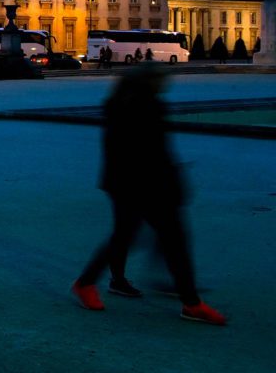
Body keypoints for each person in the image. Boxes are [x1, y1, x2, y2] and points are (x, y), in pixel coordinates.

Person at [71, 64, 226, 325]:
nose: (166, 83)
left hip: (125, 182)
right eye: (162, 79)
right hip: (144, 185)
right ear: (150, 82)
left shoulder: (120, 103)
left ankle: (89, 283)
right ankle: (190, 303)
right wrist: (171, 184)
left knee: (128, 238)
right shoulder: (145, 107)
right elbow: (154, 152)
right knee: (169, 241)